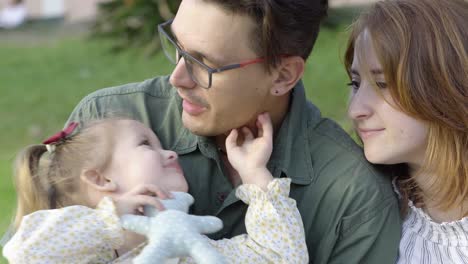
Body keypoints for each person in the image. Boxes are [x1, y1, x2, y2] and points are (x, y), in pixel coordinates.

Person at [66, 0, 401, 262]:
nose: (177, 78)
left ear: (283, 75)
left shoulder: (353, 198)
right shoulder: (104, 122)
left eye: (204, 63)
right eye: (177, 47)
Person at [2, 116, 308, 263]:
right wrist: (116, 217)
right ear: (100, 180)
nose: (171, 154)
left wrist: (254, 173)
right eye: (146, 144)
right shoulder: (92, 256)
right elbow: (25, 253)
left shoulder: (203, 252)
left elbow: (280, 256)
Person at [344, 0, 468, 263]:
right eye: (355, 83)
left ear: (447, 86)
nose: (356, 109)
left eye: (382, 84)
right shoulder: (359, 205)